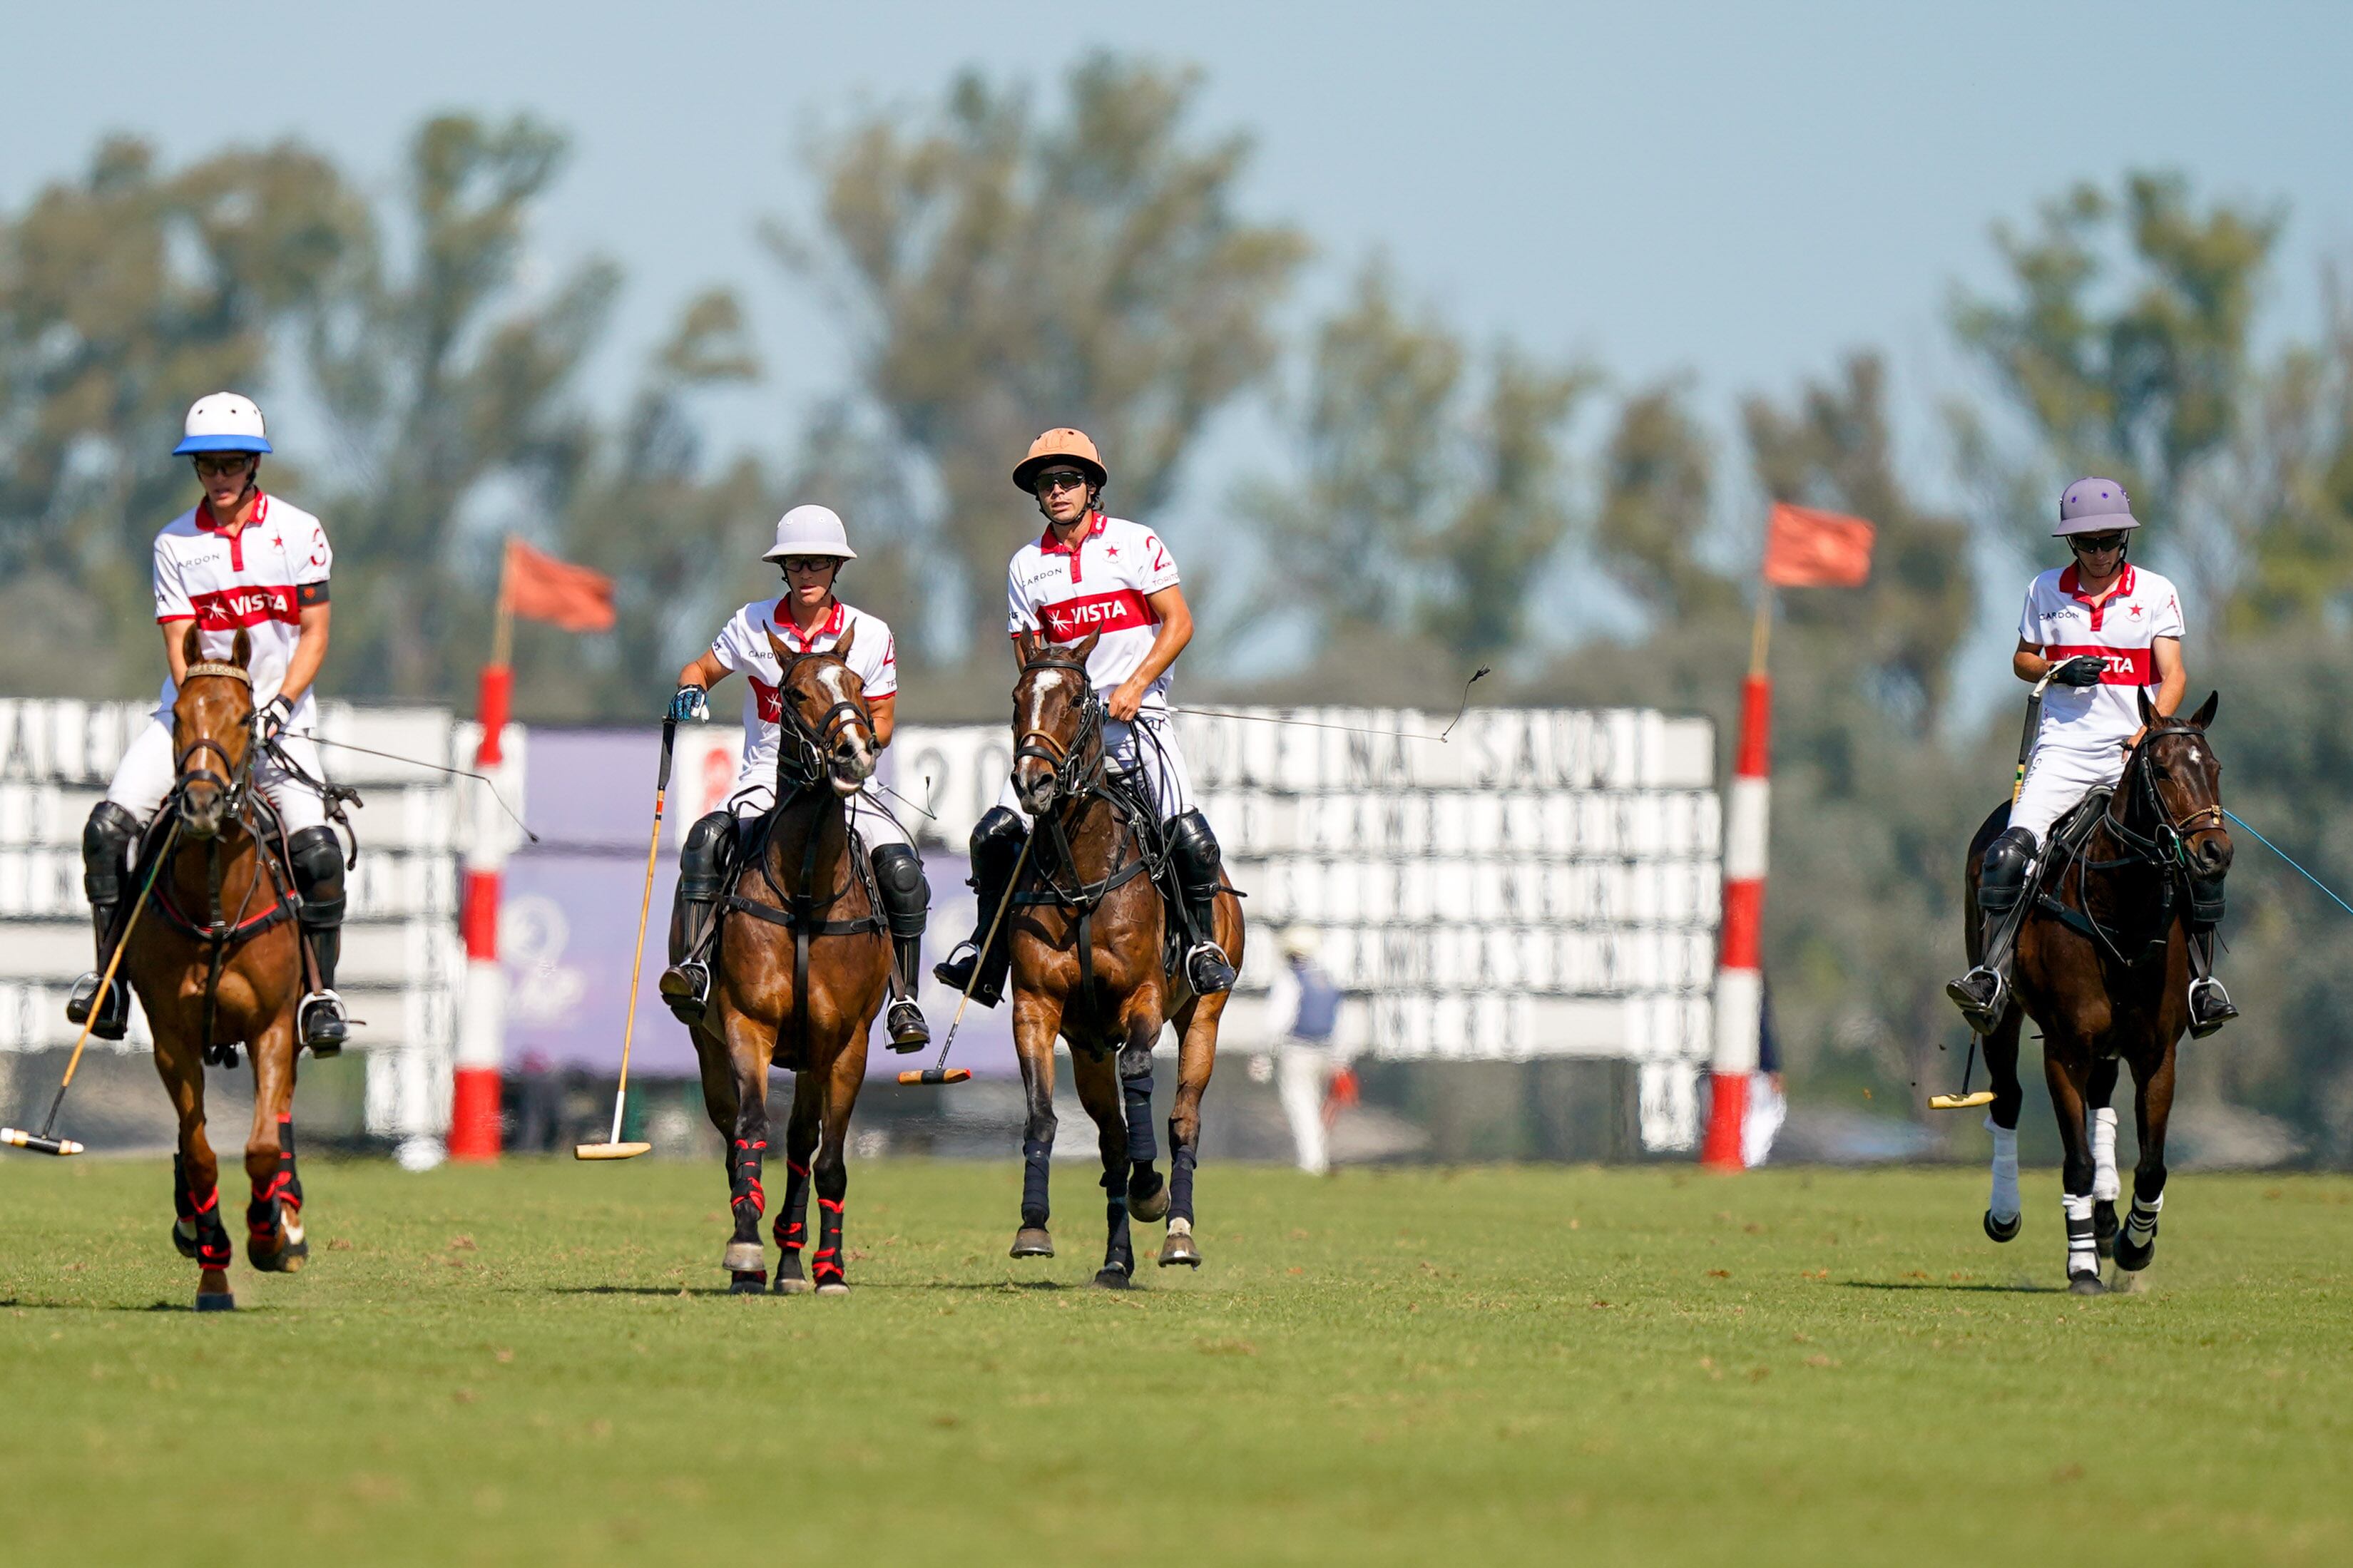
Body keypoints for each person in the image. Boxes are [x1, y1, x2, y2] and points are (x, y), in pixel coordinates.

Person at [68, 394, 349, 1052]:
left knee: (317, 850)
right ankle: (108, 980)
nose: (218, 477)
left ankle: (319, 994)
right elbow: (180, 641)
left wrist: (276, 707)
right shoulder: (175, 543)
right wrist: (204, 712)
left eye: (229, 464)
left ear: (253, 465)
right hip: (191, 715)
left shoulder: (300, 532)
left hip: (281, 717)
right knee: (107, 830)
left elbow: (314, 633)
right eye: (205, 466)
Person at [933, 428, 1239, 1006]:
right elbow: (1028, 655)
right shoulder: (1026, 565)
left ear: (1092, 486)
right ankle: (987, 952)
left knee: (1189, 837)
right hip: (1065, 734)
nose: (1057, 491)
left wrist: (1136, 685)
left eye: (1069, 480)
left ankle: (1200, 947)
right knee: (994, 835)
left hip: (1136, 721)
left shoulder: (1135, 543)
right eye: (1046, 483)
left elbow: (1179, 623)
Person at [1946, 477, 2236, 1037]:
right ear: (2071, 545)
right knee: (2009, 855)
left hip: (2135, 755)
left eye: (2107, 542)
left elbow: (2172, 674)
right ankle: (1992, 975)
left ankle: (2201, 984)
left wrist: (2147, 733)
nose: (2098, 554)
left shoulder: (2155, 592)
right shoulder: (2042, 590)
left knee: (2201, 855)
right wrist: (2055, 669)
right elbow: (2020, 659)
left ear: (2123, 539)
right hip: (2061, 752)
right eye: (2087, 544)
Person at [657, 505, 930, 1050]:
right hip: (767, 778)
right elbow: (702, 667)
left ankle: (903, 996)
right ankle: (696, 966)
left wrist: (854, 752)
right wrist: (692, 688)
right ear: (783, 570)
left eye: (819, 564)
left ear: (836, 568)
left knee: (901, 869)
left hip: (850, 780)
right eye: (797, 564)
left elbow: (884, 720)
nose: (808, 574)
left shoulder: (870, 635)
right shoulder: (752, 622)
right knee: (706, 839)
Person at [1265, 926, 1344, 1174]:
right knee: (1316, 1107)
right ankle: (1320, 1158)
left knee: (1301, 1106)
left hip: (1297, 1051)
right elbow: (1339, 1019)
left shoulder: (1290, 979)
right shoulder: (1327, 979)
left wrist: (1265, 1053)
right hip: (1326, 1051)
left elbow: (1277, 1020)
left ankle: (1312, 1163)